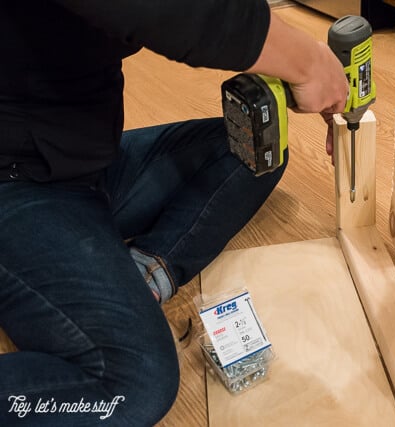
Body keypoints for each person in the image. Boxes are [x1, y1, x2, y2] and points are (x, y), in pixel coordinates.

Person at [0, 0, 348, 425]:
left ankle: (143, 274)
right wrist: (304, 60)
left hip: (78, 160)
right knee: (132, 382)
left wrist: (283, 55)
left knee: (257, 145)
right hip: (16, 180)